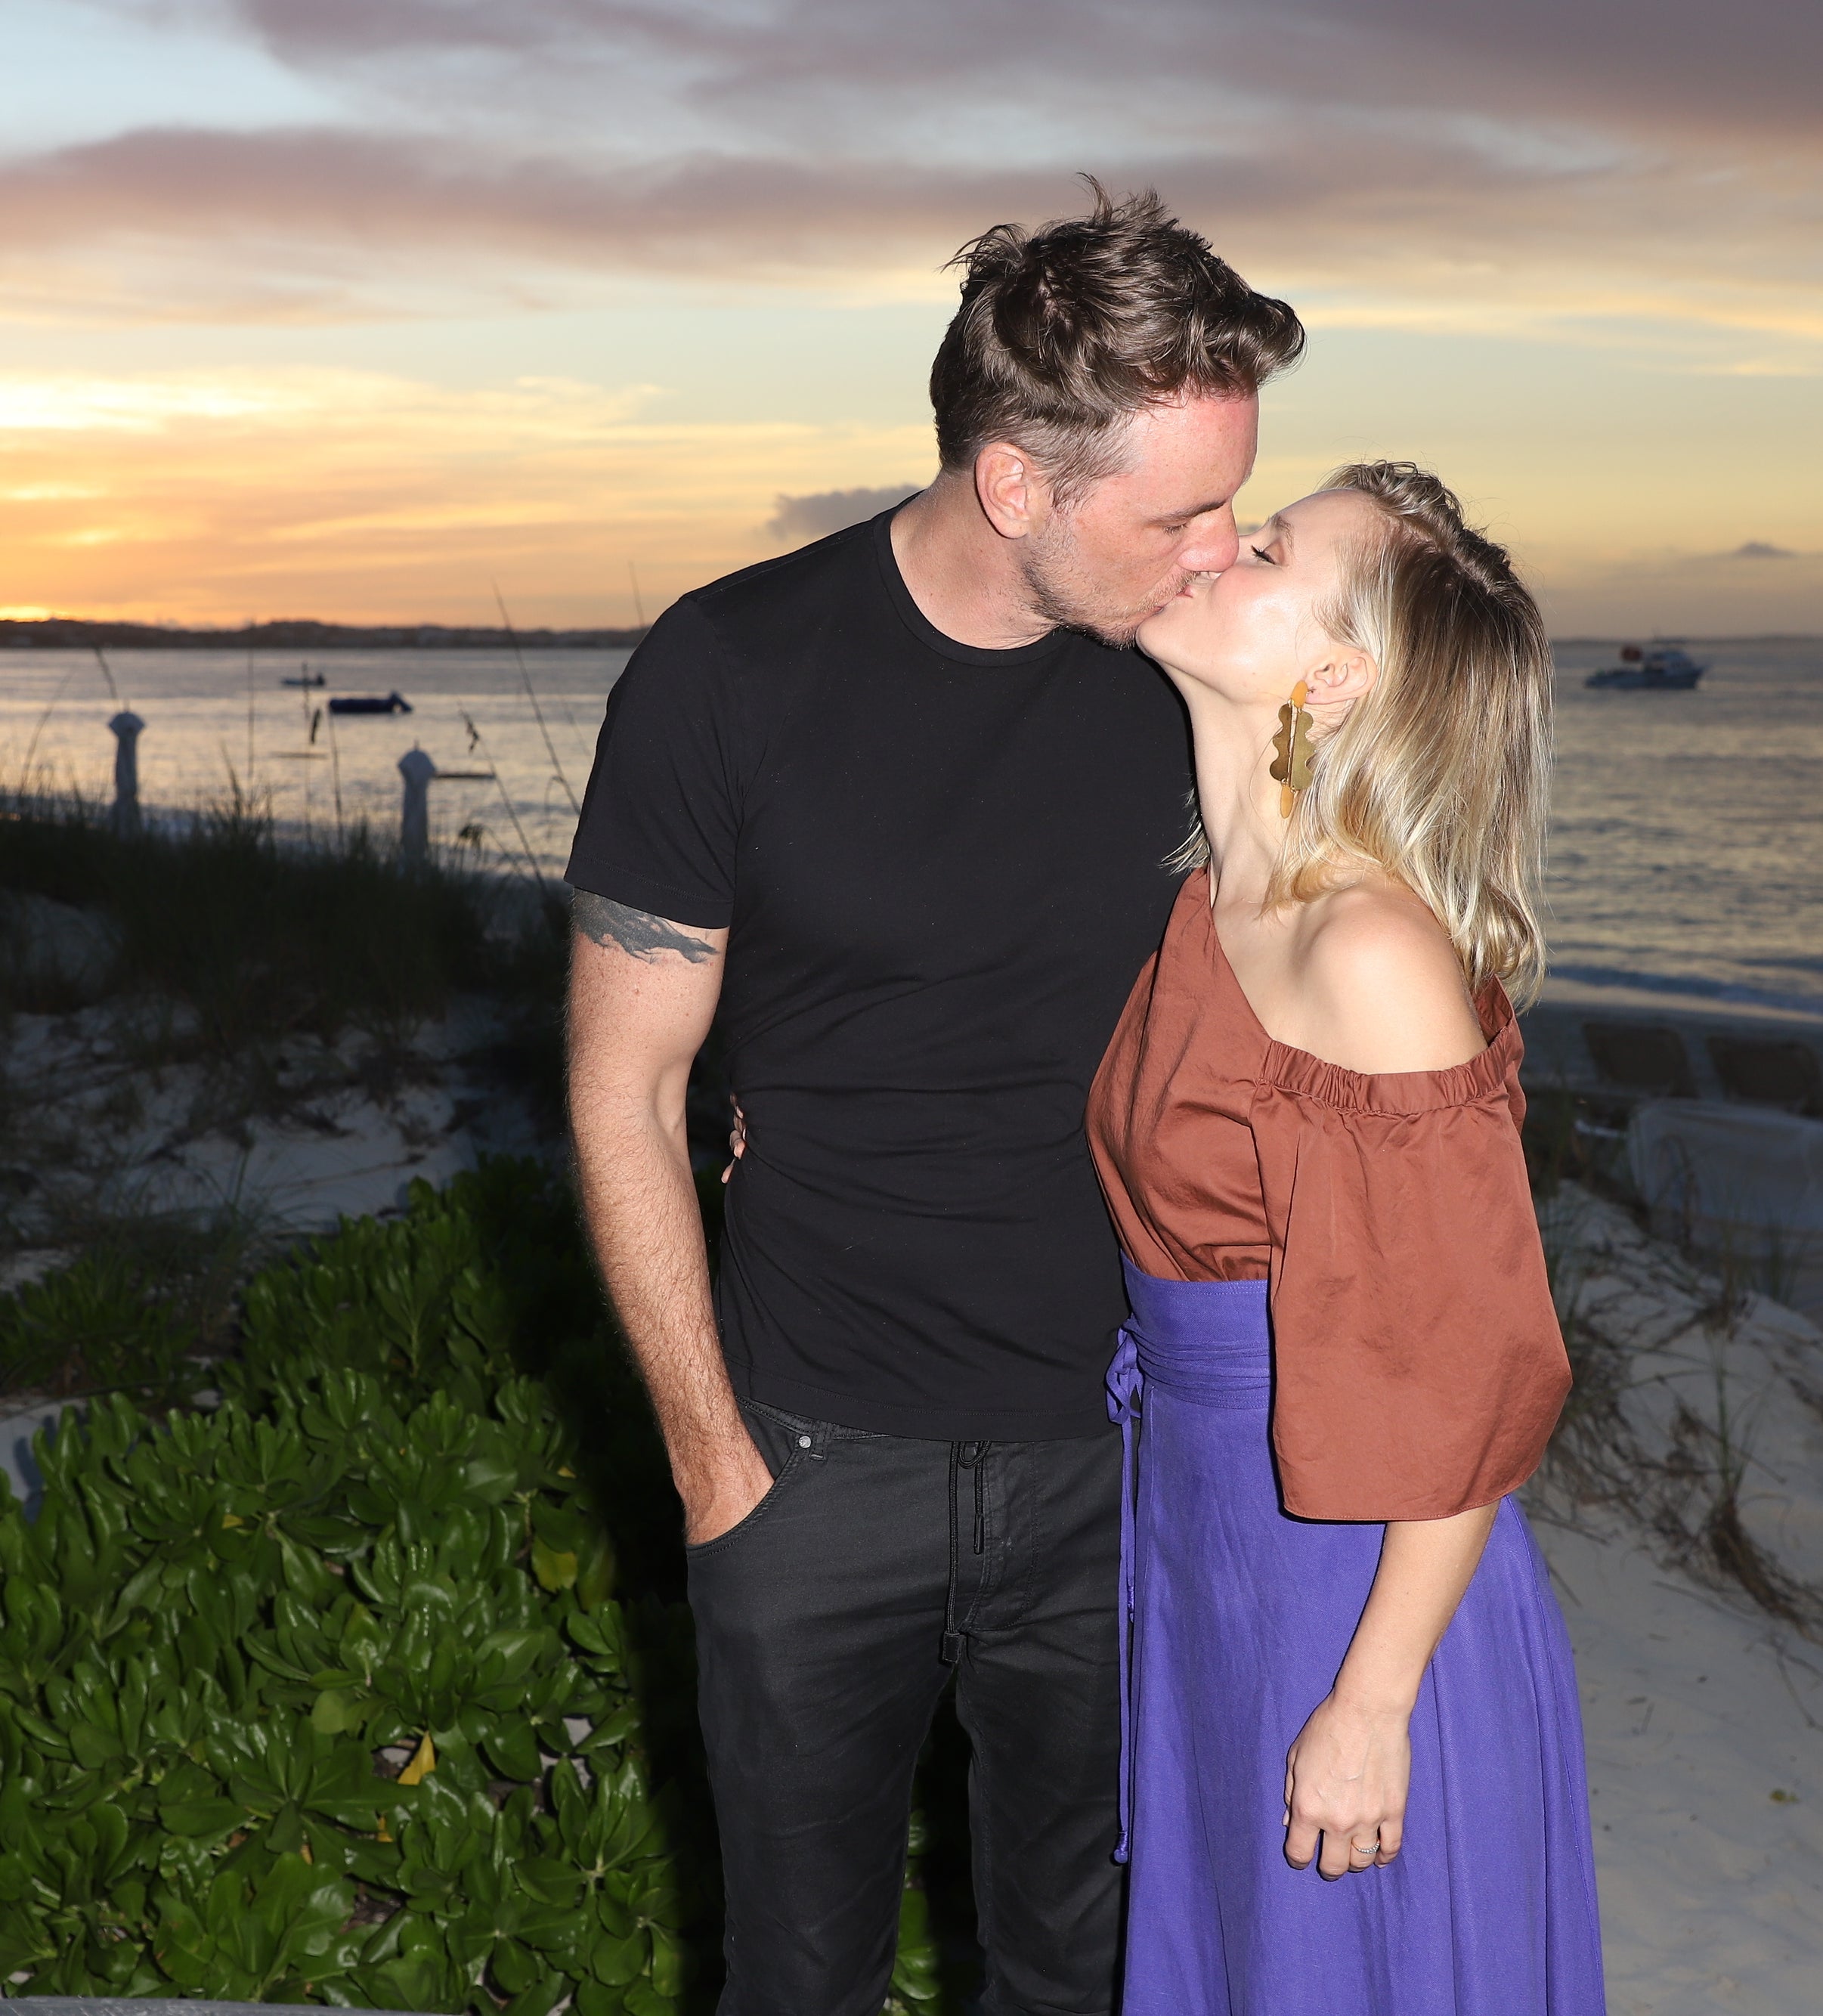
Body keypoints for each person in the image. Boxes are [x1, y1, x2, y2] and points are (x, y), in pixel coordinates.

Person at [562, 186, 1303, 2014]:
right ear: (1017, 486)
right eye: (1182, 511)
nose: (1228, 549)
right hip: (813, 1452)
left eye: (1235, 495)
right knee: (796, 1975)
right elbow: (623, 1091)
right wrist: (711, 1463)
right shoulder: (727, 672)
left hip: (1118, 1450)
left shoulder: (1201, 677)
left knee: (1077, 1966)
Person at [1087, 461, 1606, 2012]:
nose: (1210, 544)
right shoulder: (1206, 898)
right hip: (1211, 1545)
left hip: (1356, 1589)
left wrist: (1373, 1702)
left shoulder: (1368, 950)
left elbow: (1475, 1383)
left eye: (1262, 547)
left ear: (1332, 677)